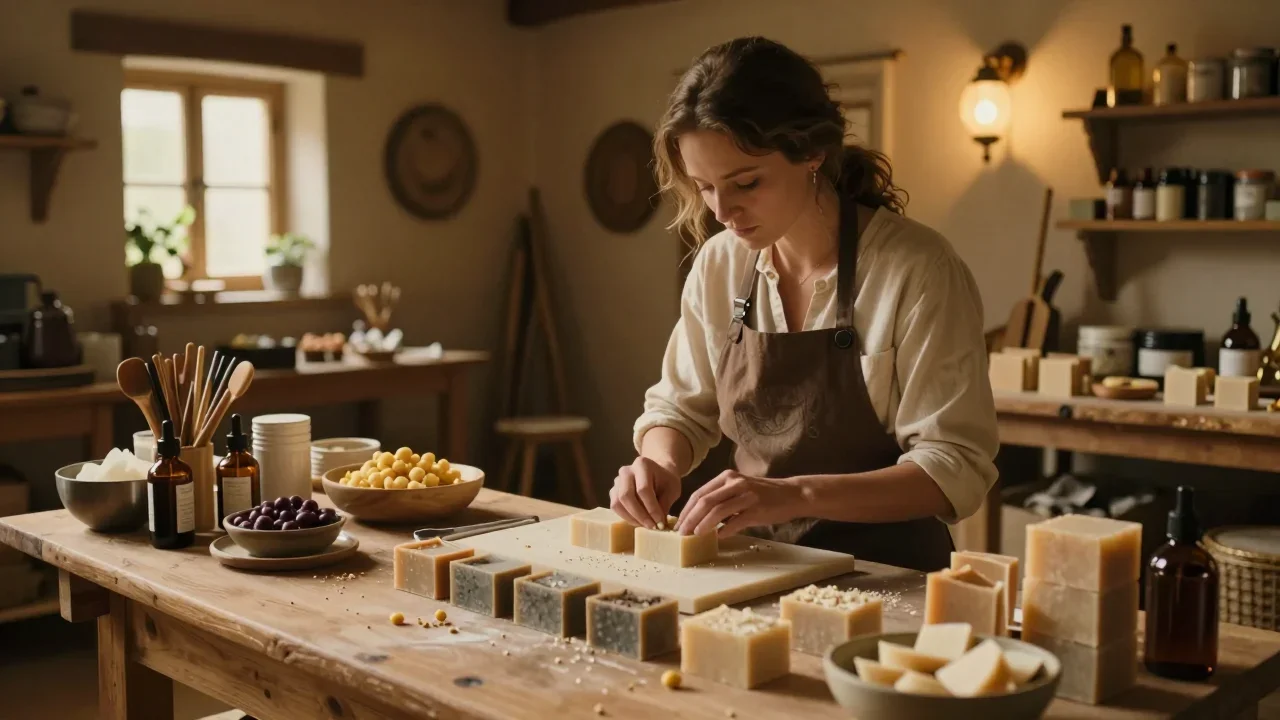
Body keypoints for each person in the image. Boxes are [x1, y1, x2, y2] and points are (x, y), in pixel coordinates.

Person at [610, 37, 999, 572]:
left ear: (812, 151)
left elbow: (954, 465)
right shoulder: (719, 265)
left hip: (891, 579)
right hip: (755, 566)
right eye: (704, 188)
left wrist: (795, 495)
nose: (723, 211)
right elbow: (680, 408)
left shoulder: (918, 270)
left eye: (746, 182)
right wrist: (657, 463)